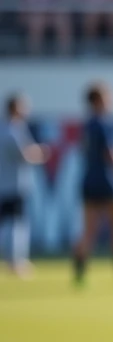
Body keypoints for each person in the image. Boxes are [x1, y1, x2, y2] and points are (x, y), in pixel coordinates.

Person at [73, 82, 113, 287]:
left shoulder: (88, 125)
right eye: (108, 97)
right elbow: (111, 152)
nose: (112, 101)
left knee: (89, 230)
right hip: (107, 181)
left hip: (89, 181)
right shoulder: (104, 123)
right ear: (98, 101)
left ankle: (79, 274)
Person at [1, 94, 47, 278]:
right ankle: (15, 261)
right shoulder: (12, 130)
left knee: (12, 223)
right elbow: (24, 154)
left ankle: (14, 260)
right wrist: (40, 153)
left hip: (7, 184)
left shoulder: (8, 128)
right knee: (16, 224)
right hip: (14, 185)